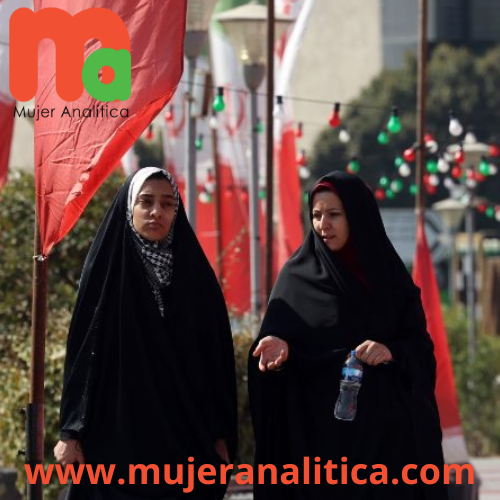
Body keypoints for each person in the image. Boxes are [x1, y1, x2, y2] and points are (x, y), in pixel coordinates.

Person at [249, 171, 448, 499]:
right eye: (316, 215)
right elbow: (277, 352)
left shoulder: (390, 280)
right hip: (320, 454)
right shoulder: (295, 280)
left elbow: (421, 351)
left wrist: (391, 351)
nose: (323, 224)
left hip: (388, 452)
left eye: (334, 214)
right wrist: (279, 348)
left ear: (357, 215)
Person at [54, 167, 237, 499]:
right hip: (115, 436)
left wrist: (221, 435)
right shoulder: (107, 272)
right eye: (146, 202)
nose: (156, 212)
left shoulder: (195, 277)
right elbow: (83, 355)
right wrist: (70, 432)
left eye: (167, 204)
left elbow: (215, 363)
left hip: (183, 439)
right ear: (129, 207)